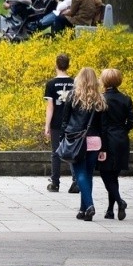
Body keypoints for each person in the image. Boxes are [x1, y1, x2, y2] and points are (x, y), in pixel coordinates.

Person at [60, 67, 107, 221]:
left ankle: (89, 205)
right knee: (88, 175)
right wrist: (104, 147)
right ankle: (83, 211)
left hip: (77, 140)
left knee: (79, 174)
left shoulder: (73, 96)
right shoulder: (99, 98)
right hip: (95, 141)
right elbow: (102, 126)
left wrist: (62, 138)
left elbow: (65, 120)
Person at [98, 68, 133, 220]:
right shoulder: (126, 99)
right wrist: (123, 130)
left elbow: (101, 124)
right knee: (113, 176)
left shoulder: (101, 99)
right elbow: (132, 121)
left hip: (106, 140)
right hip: (121, 139)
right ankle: (110, 210)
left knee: (105, 173)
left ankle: (120, 202)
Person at [43, 54, 78, 193]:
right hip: (73, 123)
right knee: (72, 152)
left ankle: (55, 183)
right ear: (68, 65)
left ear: (56, 65)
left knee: (56, 152)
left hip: (57, 122)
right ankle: (76, 182)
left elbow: (50, 106)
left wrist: (47, 126)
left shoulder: (51, 84)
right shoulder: (74, 83)